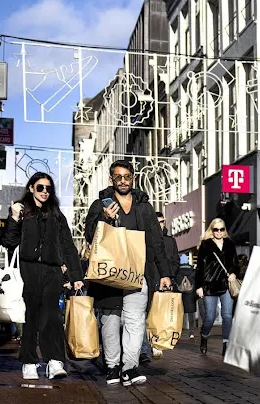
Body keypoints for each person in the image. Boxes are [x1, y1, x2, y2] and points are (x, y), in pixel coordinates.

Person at [84, 160, 172, 387]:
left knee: (135, 321)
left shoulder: (144, 206)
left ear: (133, 178)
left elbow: (156, 241)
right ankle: (112, 367)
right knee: (110, 320)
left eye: (127, 177)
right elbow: (89, 236)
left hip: (139, 271)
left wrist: (165, 273)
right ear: (111, 179)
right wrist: (103, 217)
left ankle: (129, 367)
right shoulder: (100, 204)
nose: (123, 181)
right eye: (118, 177)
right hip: (109, 271)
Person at [3, 172, 84, 380]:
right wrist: (13, 218)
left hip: (53, 270)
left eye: (48, 188)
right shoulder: (22, 211)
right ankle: (29, 362)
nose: (44, 192)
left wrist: (76, 276)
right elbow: (9, 242)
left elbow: (68, 246)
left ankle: (55, 361)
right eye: (40, 187)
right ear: (31, 188)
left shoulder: (57, 214)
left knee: (52, 316)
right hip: (29, 269)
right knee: (32, 316)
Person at [140, 211, 180, 362]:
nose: (160, 224)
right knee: (144, 315)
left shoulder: (170, 241)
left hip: (164, 283)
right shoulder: (145, 240)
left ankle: (156, 343)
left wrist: (170, 276)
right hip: (149, 281)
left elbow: (175, 260)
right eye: (156, 222)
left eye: (162, 221)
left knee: (159, 315)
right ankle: (144, 350)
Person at [195, 218, 239, 357]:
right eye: (216, 229)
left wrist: (233, 273)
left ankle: (226, 344)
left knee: (227, 316)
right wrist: (199, 286)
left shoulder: (230, 244)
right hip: (209, 285)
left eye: (221, 229)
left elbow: (235, 263)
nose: (219, 232)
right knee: (210, 317)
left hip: (226, 284)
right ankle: (204, 335)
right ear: (211, 230)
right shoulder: (205, 245)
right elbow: (200, 268)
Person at [176, 254, 198, 339]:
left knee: (179, 314)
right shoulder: (193, 270)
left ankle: (178, 332)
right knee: (191, 314)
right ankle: (191, 332)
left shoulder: (177, 271)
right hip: (191, 295)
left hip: (180, 296)